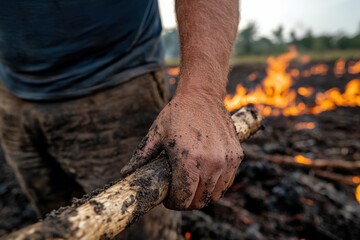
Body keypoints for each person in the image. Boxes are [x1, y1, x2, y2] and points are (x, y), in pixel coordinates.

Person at [0, 0, 243, 239]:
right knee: (60, 224)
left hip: (118, 86)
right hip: (11, 94)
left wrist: (202, 94)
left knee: (141, 232)